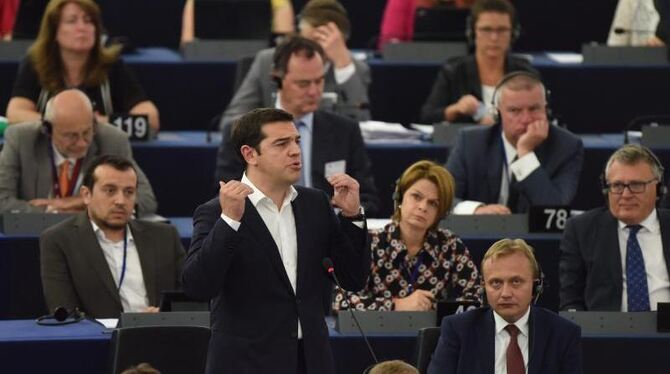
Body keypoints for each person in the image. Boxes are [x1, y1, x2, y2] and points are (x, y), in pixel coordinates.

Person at [183, 108, 370, 374]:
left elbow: (353, 279)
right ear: (250, 154)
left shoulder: (315, 203)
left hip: (311, 361)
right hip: (246, 364)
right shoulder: (216, 211)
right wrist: (230, 222)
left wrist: (352, 216)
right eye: (281, 144)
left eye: (296, 141)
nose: (295, 151)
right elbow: (197, 286)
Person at [216, 36, 380, 216]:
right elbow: (226, 198)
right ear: (277, 80)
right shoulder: (243, 132)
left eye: (319, 81)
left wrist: (348, 211)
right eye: (303, 84)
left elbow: (368, 200)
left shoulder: (345, 131)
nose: (314, 91)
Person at [40, 155, 184, 318]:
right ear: (86, 194)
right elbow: (64, 312)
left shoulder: (164, 236)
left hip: (163, 335)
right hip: (100, 340)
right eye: (110, 190)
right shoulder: (59, 240)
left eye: (129, 192)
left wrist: (164, 315)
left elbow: (189, 301)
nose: (120, 201)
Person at [334, 160, 480, 311]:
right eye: (416, 197)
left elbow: (475, 299)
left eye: (433, 203)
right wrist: (397, 305)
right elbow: (341, 301)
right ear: (400, 198)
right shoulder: (370, 243)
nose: (423, 207)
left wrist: (434, 308)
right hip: (378, 334)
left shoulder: (451, 246)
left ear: (441, 213)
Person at [428, 238, 582, 374]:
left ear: (535, 286)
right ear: (484, 287)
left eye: (516, 281)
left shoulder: (563, 333)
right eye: (496, 283)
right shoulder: (458, 330)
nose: (506, 293)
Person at [6, 0, 160, 131]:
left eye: (88, 21)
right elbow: (15, 114)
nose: (82, 28)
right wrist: (68, 123)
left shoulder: (111, 65)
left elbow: (150, 118)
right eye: (72, 21)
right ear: (54, 31)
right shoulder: (36, 63)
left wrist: (101, 123)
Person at [0, 89, 157, 215]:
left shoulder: (113, 140)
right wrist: (54, 211)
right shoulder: (21, 139)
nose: (82, 143)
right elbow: (2, 201)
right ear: (48, 130)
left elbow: (145, 199)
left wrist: (80, 202)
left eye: (87, 132)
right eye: (71, 136)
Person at [446, 71, 583, 215]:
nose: (526, 119)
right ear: (497, 112)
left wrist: (525, 153)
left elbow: (554, 209)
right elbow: (444, 199)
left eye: (534, 109)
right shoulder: (471, 142)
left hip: (535, 237)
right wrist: (476, 210)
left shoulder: (567, 146)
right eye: (515, 111)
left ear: (546, 109)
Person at [220, 0, 371, 125]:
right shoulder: (267, 61)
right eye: (308, 40)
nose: (311, 50)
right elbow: (231, 122)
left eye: (321, 42)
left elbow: (361, 125)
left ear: (340, 41)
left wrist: (343, 67)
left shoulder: (355, 70)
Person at [560, 144, 670, 311]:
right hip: (607, 334)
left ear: (658, 188)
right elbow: (571, 302)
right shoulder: (581, 230)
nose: (626, 195)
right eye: (617, 186)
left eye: (636, 185)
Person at [419, 0, 536, 125]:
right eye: (486, 30)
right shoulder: (454, 71)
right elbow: (427, 116)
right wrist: (455, 109)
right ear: (473, 33)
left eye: (502, 30)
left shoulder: (525, 73)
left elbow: (543, 117)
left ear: (513, 34)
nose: (494, 38)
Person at [181, 0, 295, 44]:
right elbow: (187, 45)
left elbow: (283, 47)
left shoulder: (279, 2)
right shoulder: (195, 2)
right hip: (207, 66)